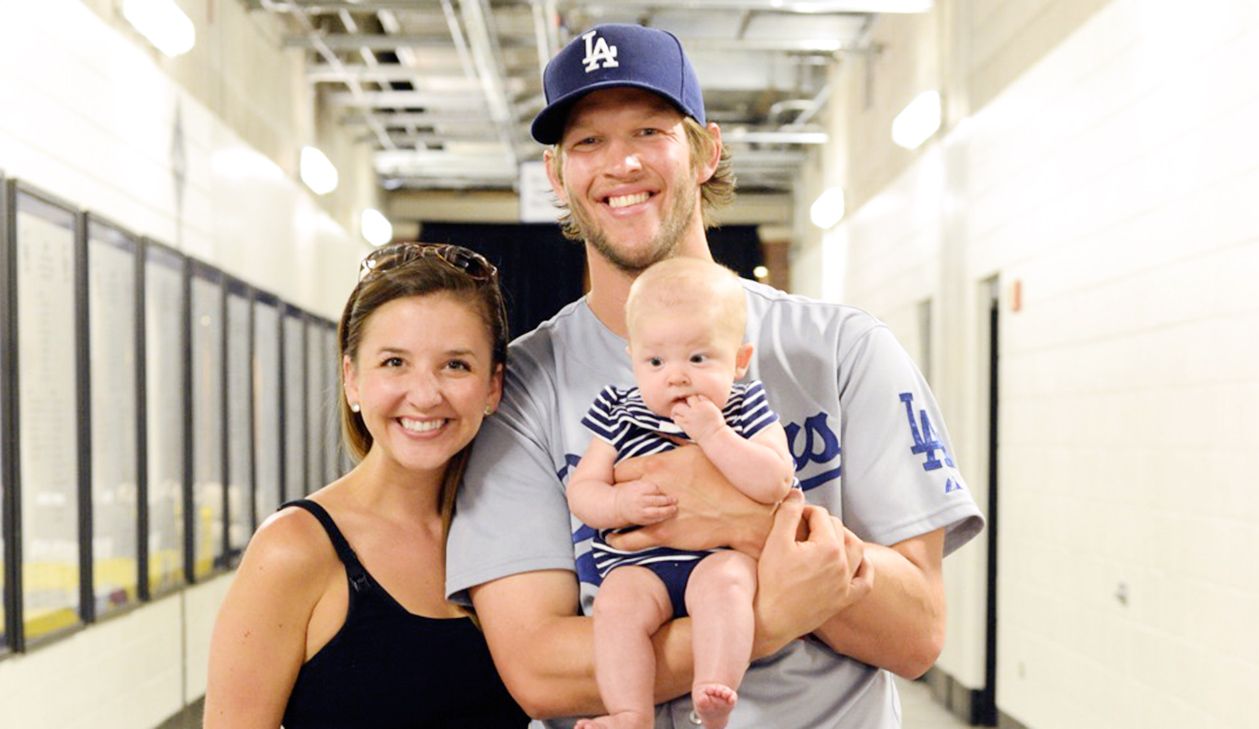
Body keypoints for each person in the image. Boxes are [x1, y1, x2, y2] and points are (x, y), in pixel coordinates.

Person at [446, 22, 985, 729]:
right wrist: (768, 616)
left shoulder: (845, 350)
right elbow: (539, 669)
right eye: (588, 142)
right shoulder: (522, 386)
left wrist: (752, 522)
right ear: (558, 174)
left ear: (706, 151)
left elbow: (917, 633)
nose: (621, 164)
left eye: (649, 130)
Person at [204, 242, 529, 729]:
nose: (423, 395)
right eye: (395, 362)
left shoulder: (518, 540)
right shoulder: (294, 549)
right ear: (352, 379)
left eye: (455, 365)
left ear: (493, 386)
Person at [568, 258, 795, 729]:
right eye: (655, 361)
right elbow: (583, 490)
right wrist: (618, 504)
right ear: (633, 358)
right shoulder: (618, 409)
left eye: (697, 358)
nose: (676, 376)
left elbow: (775, 480)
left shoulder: (744, 406)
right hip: (638, 566)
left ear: (738, 360)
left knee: (728, 588)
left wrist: (715, 435)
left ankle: (715, 693)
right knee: (615, 608)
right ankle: (630, 712)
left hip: (717, 556)